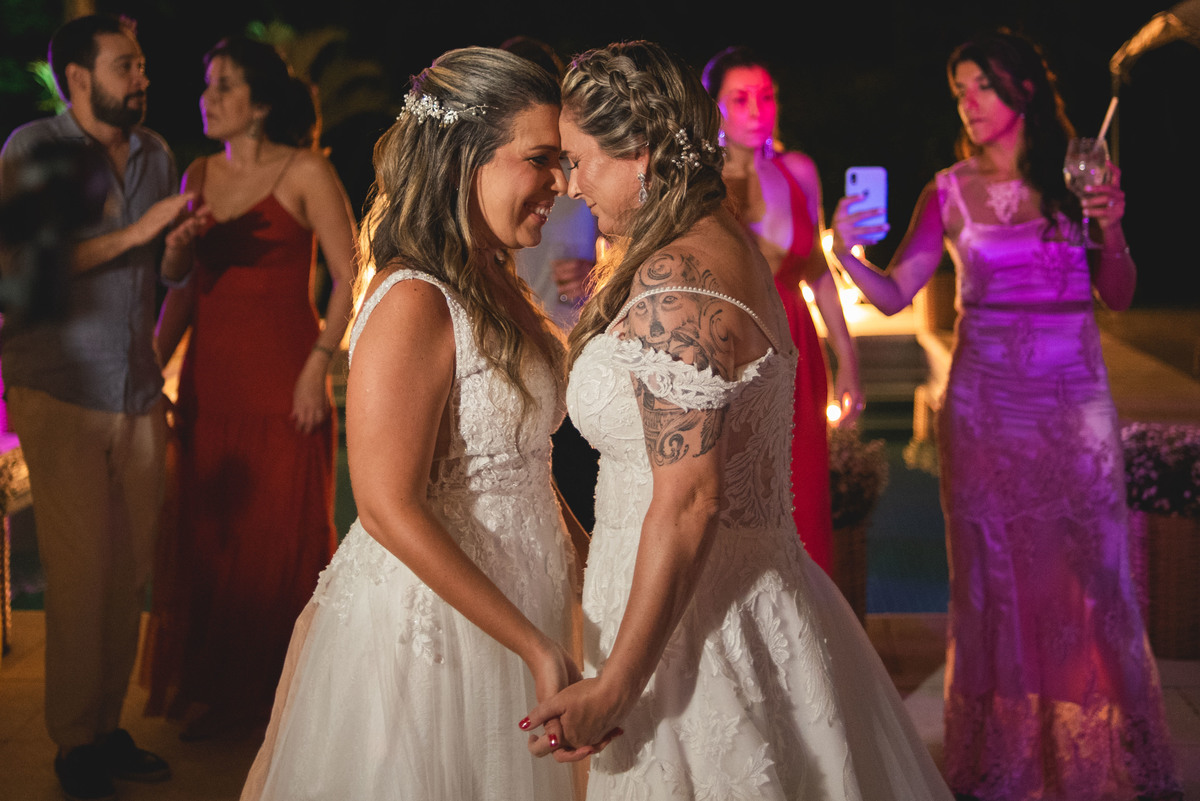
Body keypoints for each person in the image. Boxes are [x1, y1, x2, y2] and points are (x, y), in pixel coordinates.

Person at [521, 40, 953, 800]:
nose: (570, 184)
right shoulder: (722, 242)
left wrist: (617, 684)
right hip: (746, 598)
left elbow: (691, 499)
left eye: (580, 160)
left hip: (693, 634)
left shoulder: (677, 285)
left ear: (641, 154)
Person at [830, 31, 1181, 801]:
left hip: (1074, 406)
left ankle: (1100, 750)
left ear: (1022, 89)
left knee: (1092, 573)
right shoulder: (947, 191)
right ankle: (1007, 757)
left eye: (981, 85)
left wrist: (1112, 225)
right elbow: (894, 292)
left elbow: (1118, 294)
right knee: (993, 576)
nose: (968, 102)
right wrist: (846, 253)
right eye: (960, 89)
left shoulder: (1078, 181)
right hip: (984, 408)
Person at [240, 46, 581, 800]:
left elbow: (521, 462)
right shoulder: (415, 298)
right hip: (437, 626)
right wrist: (531, 644)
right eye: (540, 159)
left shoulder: (496, 275)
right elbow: (387, 506)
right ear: (465, 159)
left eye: (561, 161)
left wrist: (594, 571)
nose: (561, 182)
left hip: (524, 596)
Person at [0, 13, 203, 801]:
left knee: (128, 570)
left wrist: (175, 246)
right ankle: (73, 741)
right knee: (82, 571)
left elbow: (167, 272)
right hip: (61, 387)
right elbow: (23, 274)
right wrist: (140, 230)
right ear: (78, 79)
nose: (143, 77)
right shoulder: (37, 150)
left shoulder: (156, 154)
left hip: (138, 388)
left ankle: (106, 725)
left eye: (143, 64)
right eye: (127, 65)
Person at [141, 35, 357, 742]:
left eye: (225, 85)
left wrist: (317, 366)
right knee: (211, 537)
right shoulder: (198, 172)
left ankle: (279, 695)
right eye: (208, 84)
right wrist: (149, 369)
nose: (208, 97)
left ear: (260, 104)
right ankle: (216, 690)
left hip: (283, 383)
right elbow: (183, 290)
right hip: (211, 384)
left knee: (279, 540)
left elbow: (350, 275)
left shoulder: (306, 170)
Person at [702, 46, 862, 575]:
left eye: (766, 96)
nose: (757, 110)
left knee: (803, 496)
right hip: (729, 349)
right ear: (714, 107)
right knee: (733, 498)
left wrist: (849, 361)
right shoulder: (701, 181)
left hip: (796, 344)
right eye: (740, 98)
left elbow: (817, 271)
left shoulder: (799, 171)